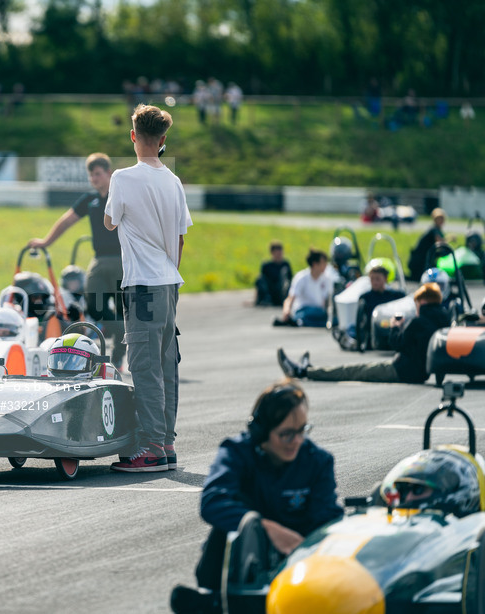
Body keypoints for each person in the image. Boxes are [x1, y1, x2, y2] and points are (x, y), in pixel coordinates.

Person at [170, 380, 343, 614]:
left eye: (302, 430)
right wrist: (266, 528)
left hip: (297, 567)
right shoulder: (237, 452)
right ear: (262, 431)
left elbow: (326, 519)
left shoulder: (318, 461)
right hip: (237, 571)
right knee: (244, 525)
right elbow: (212, 501)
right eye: (286, 435)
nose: (297, 441)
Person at [104, 103, 192, 472]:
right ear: (163, 140)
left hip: (141, 284)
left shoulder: (123, 178)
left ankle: (152, 446)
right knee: (166, 363)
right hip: (170, 282)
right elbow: (181, 237)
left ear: (133, 136)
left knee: (144, 367)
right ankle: (166, 441)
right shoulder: (173, 181)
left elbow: (110, 222)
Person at [28, 153, 126, 367]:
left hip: (124, 260)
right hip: (99, 261)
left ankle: (118, 356)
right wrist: (46, 242)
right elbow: (66, 221)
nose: (94, 179)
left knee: (122, 310)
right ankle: (124, 331)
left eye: (98, 174)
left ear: (109, 173)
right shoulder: (90, 200)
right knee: (94, 305)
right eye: (91, 175)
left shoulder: (123, 195)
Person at [278, 282, 450, 383]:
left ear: (424, 301)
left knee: (352, 370)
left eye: (417, 302)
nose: (416, 306)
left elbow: (396, 343)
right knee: (355, 370)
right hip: (420, 373)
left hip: (403, 369)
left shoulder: (419, 322)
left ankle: (304, 372)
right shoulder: (443, 320)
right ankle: (309, 369)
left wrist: (395, 327)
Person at [273, 249, 333, 327]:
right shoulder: (301, 277)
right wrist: (286, 311)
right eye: (323, 263)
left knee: (329, 318)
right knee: (313, 315)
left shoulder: (326, 279)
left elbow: (327, 301)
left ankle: (299, 322)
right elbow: (291, 298)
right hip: (303, 310)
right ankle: (299, 321)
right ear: (315, 264)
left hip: (319, 312)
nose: (326, 266)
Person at [350, 265, 405, 346]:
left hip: (389, 328)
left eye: (378, 279)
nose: (374, 282)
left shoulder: (396, 295)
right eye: (372, 279)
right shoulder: (365, 297)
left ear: (385, 279)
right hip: (370, 332)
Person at [408, 208, 447, 281]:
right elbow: (440, 243)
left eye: (442, 218)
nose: (441, 220)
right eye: (439, 218)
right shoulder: (434, 230)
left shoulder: (436, 230)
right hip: (420, 262)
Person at [254, 241, 292, 307]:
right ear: (272, 253)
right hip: (270, 292)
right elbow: (261, 282)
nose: (279, 256)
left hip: (281, 292)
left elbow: (290, 280)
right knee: (259, 278)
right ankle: (265, 299)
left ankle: (285, 299)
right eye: (277, 253)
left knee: (285, 275)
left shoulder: (285, 265)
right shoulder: (267, 266)